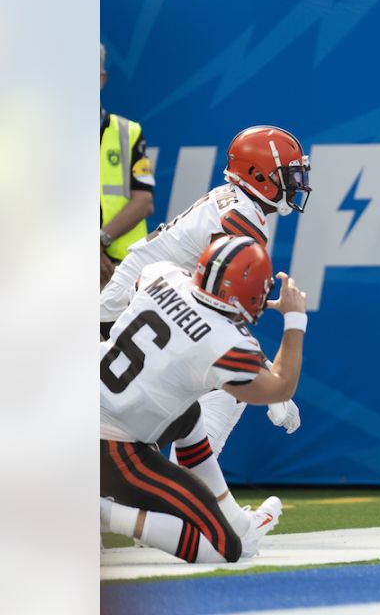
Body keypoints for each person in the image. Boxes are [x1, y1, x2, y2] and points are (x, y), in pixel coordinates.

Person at [99, 126, 311, 477]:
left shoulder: (237, 202)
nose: (296, 183)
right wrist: (275, 389)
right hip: (133, 310)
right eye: (287, 175)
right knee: (232, 384)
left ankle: (175, 492)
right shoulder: (241, 219)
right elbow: (220, 316)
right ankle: (185, 488)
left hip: (141, 307)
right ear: (259, 176)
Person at [100, 236, 307, 561]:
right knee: (224, 548)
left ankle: (237, 520)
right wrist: (295, 319)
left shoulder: (162, 273)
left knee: (189, 416)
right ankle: (101, 513)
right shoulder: (225, 342)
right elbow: (281, 386)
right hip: (112, 446)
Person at [100, 43, 155, 287]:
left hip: (116, 272)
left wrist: (99, 242)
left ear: (101, 79)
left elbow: (143, 202)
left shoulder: (129, 132)